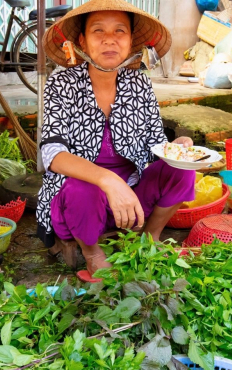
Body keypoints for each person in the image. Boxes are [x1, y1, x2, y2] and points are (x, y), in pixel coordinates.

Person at [37, 0, 196, 280]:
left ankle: (150, 237)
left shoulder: (139, 83)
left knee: (182, 169)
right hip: (79, 200)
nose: (109, 39)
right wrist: (108, 180)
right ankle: (92, 253)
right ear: (82, 41)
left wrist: (178, 147)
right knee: (82, 189)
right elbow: (52, 154)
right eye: (98, 30)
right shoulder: (62, 84)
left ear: (131, 41)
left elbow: (155, 143)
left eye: (119, 31)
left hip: (131, 194)